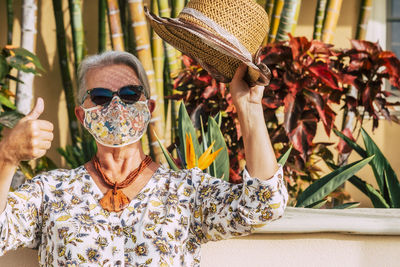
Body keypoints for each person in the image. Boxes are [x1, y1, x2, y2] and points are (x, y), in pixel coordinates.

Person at [0, 51, 287, 266]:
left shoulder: (186, 192)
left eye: (128, 94)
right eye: (100, 97)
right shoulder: (51, 192)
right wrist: (7, 156)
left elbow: (264, 203)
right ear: (81, 115)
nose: (116, 106)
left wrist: (249, 108)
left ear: (148, 107)